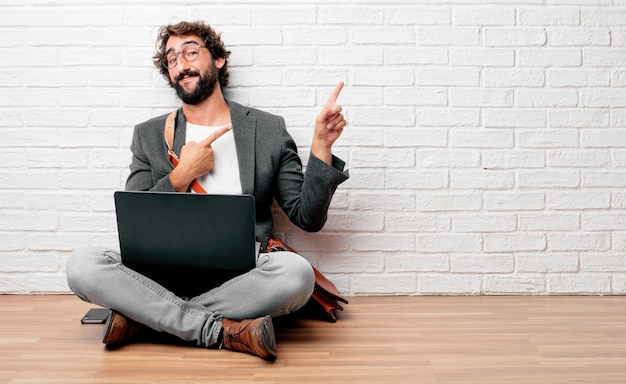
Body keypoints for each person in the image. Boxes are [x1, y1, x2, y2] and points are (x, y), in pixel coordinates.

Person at [65, 20, 348, 361]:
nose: (181, 64)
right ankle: (218, 330)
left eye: (191, 52)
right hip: (160, 273)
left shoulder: (267, 129)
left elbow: (308, 217)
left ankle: (146, 320)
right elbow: (138, 217)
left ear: (218, 60)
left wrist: (321, 147)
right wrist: (181, 175)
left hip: (241, 277)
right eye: (171, 59)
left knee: (296, 274)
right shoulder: (150, 135)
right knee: (81, 265)